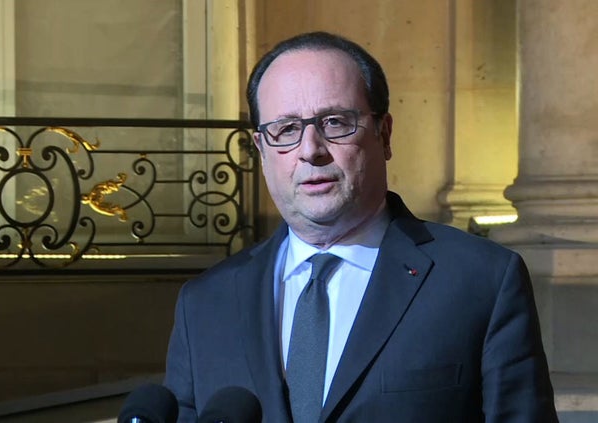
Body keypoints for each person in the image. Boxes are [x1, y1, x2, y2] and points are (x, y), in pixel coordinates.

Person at [164, 31, 558, 422]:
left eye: (335, 122)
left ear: (384, 135)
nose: (310, 149)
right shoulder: (205, 303)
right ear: (261, 150)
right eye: (285, 130)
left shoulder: (481, 280)